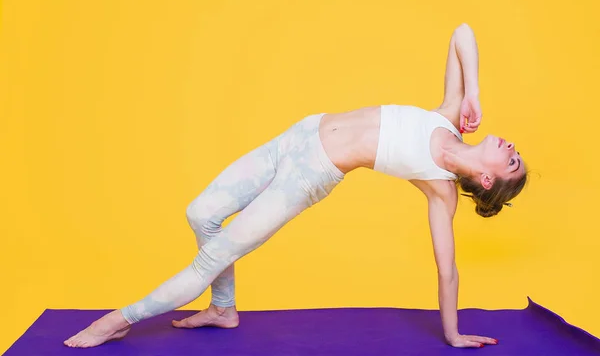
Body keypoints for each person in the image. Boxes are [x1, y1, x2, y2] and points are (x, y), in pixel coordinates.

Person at [64, 23, 527, 349]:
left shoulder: (439, 190)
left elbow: (447, 271)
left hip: (306, 177)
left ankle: (116, 321)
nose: (511, 146)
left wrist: (452, 333)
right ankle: (223, 309)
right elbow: (462, 32)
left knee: (213, 255)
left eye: (512, 160)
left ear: (488, 179)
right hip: (297, 135)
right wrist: (474, 92)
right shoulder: (449, 116)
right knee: (200, 213)